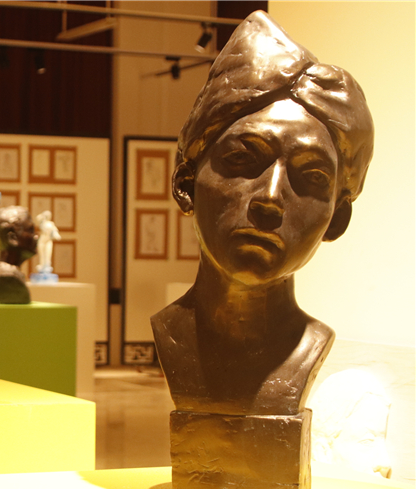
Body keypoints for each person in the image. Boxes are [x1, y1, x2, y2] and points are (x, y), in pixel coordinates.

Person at [151, 11, 374, 417]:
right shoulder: (169, 335)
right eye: (243, 159)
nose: (270, 199)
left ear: (338, 218)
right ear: (185, 184)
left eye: (311, 176)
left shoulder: (312, 346)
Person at [0, 206, 38, 304]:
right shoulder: (5, 277)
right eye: (30, 230)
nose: (36, 236)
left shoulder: (10, 274)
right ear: (12, 238)